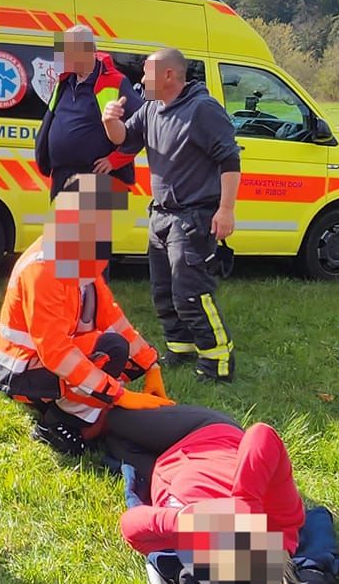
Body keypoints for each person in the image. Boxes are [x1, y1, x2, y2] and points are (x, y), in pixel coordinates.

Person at [0, 174, 170, 457]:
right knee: (110, 350)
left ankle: (80, 405)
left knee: (123, 353)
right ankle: (58, 424)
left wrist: (151, 367)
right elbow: (56, 352)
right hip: (24, 372)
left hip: (49, 361)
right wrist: (118, 394)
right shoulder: (45, 268)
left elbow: (113, 318)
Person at [103, 48, 241, 381]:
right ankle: (180, 349)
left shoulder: (203, 110)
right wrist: (110, 122)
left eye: (147, 73)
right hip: (161, 216)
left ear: (168, 76)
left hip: (194, 217)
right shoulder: (151, 108)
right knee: (163, 292)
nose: (141, 79)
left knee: (191, 292)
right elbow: (124, 140)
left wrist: (226, 210)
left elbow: (230, 161)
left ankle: (217, 363)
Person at [116, 411, 306, 584]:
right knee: (113, 418)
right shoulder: (283, 520)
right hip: (205, 434)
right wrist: (246, 504)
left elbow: (130, 527)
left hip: (162, 468)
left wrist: (182, 521)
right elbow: (262, 433)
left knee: (106, 441)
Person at [34, 26, 138, 196]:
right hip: (62, 177)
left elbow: (141, 125)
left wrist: (116, 160)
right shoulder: (64, 82)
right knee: (64, 223)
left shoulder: (114, 82)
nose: (61, 56)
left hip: (97, 178)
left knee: (90, 224)